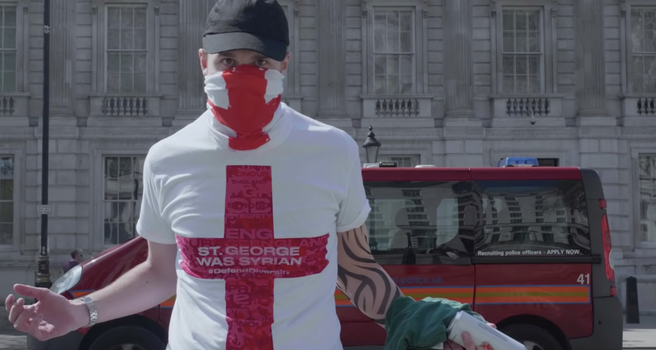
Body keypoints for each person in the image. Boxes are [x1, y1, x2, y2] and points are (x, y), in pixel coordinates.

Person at [5, 1, 491, 349]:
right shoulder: (168, 158)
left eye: (259, 62)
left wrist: (415, 315)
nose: (243, 74)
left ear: (284, 64)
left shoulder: (332, 150)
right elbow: (160, 272)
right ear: (204, 63)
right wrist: (79, 311)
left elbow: (352, 265)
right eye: (228, 62)